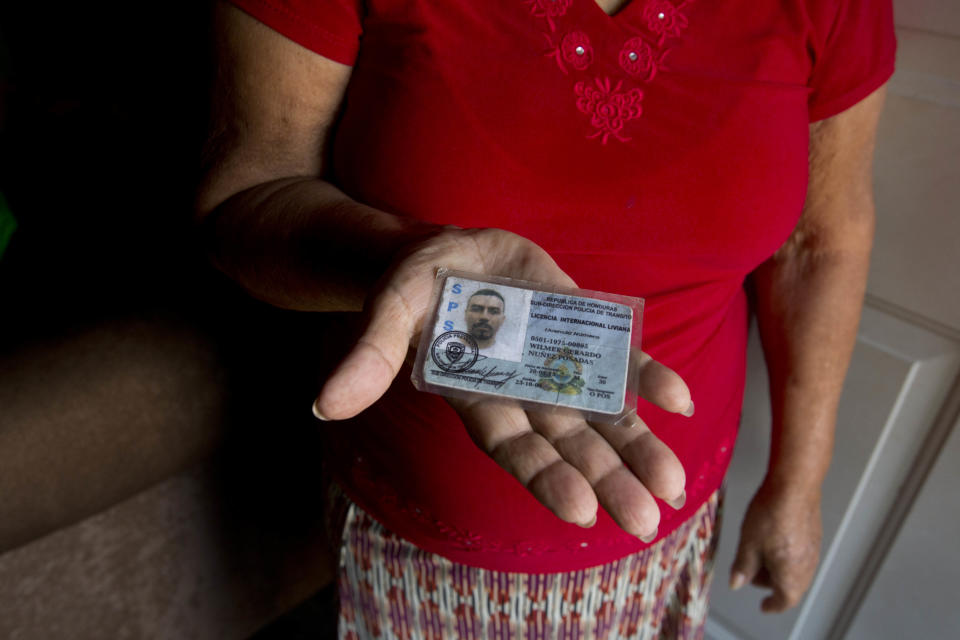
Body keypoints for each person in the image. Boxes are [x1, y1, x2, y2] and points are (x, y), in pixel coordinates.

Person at [196, 0, 895, 636]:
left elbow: (821, 242)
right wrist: (398, 258)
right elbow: (247, 193)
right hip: (416, 529)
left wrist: (799, 483)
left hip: (664, 513)